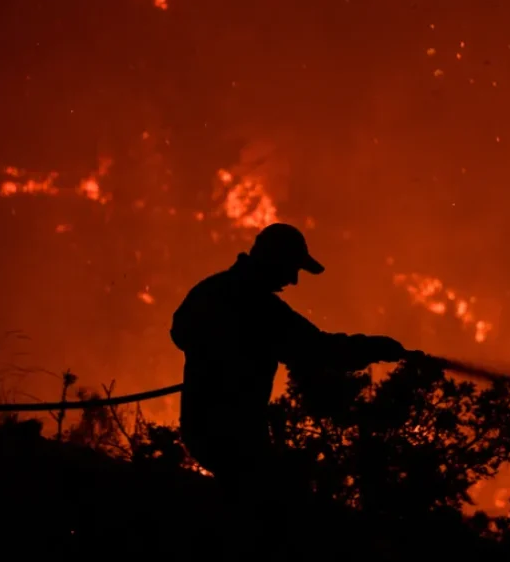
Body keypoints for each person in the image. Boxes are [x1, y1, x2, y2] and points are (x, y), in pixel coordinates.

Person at [169, 223, 408, 553]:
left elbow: (180, 332)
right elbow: (318, 350)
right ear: (274, 261)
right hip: (233, 433)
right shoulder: (260, 309)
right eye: (292, 269)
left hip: (202, 425)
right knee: (276, 519)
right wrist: (375, 348)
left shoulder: (213, 290)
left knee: (244, 507)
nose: (293, 281)